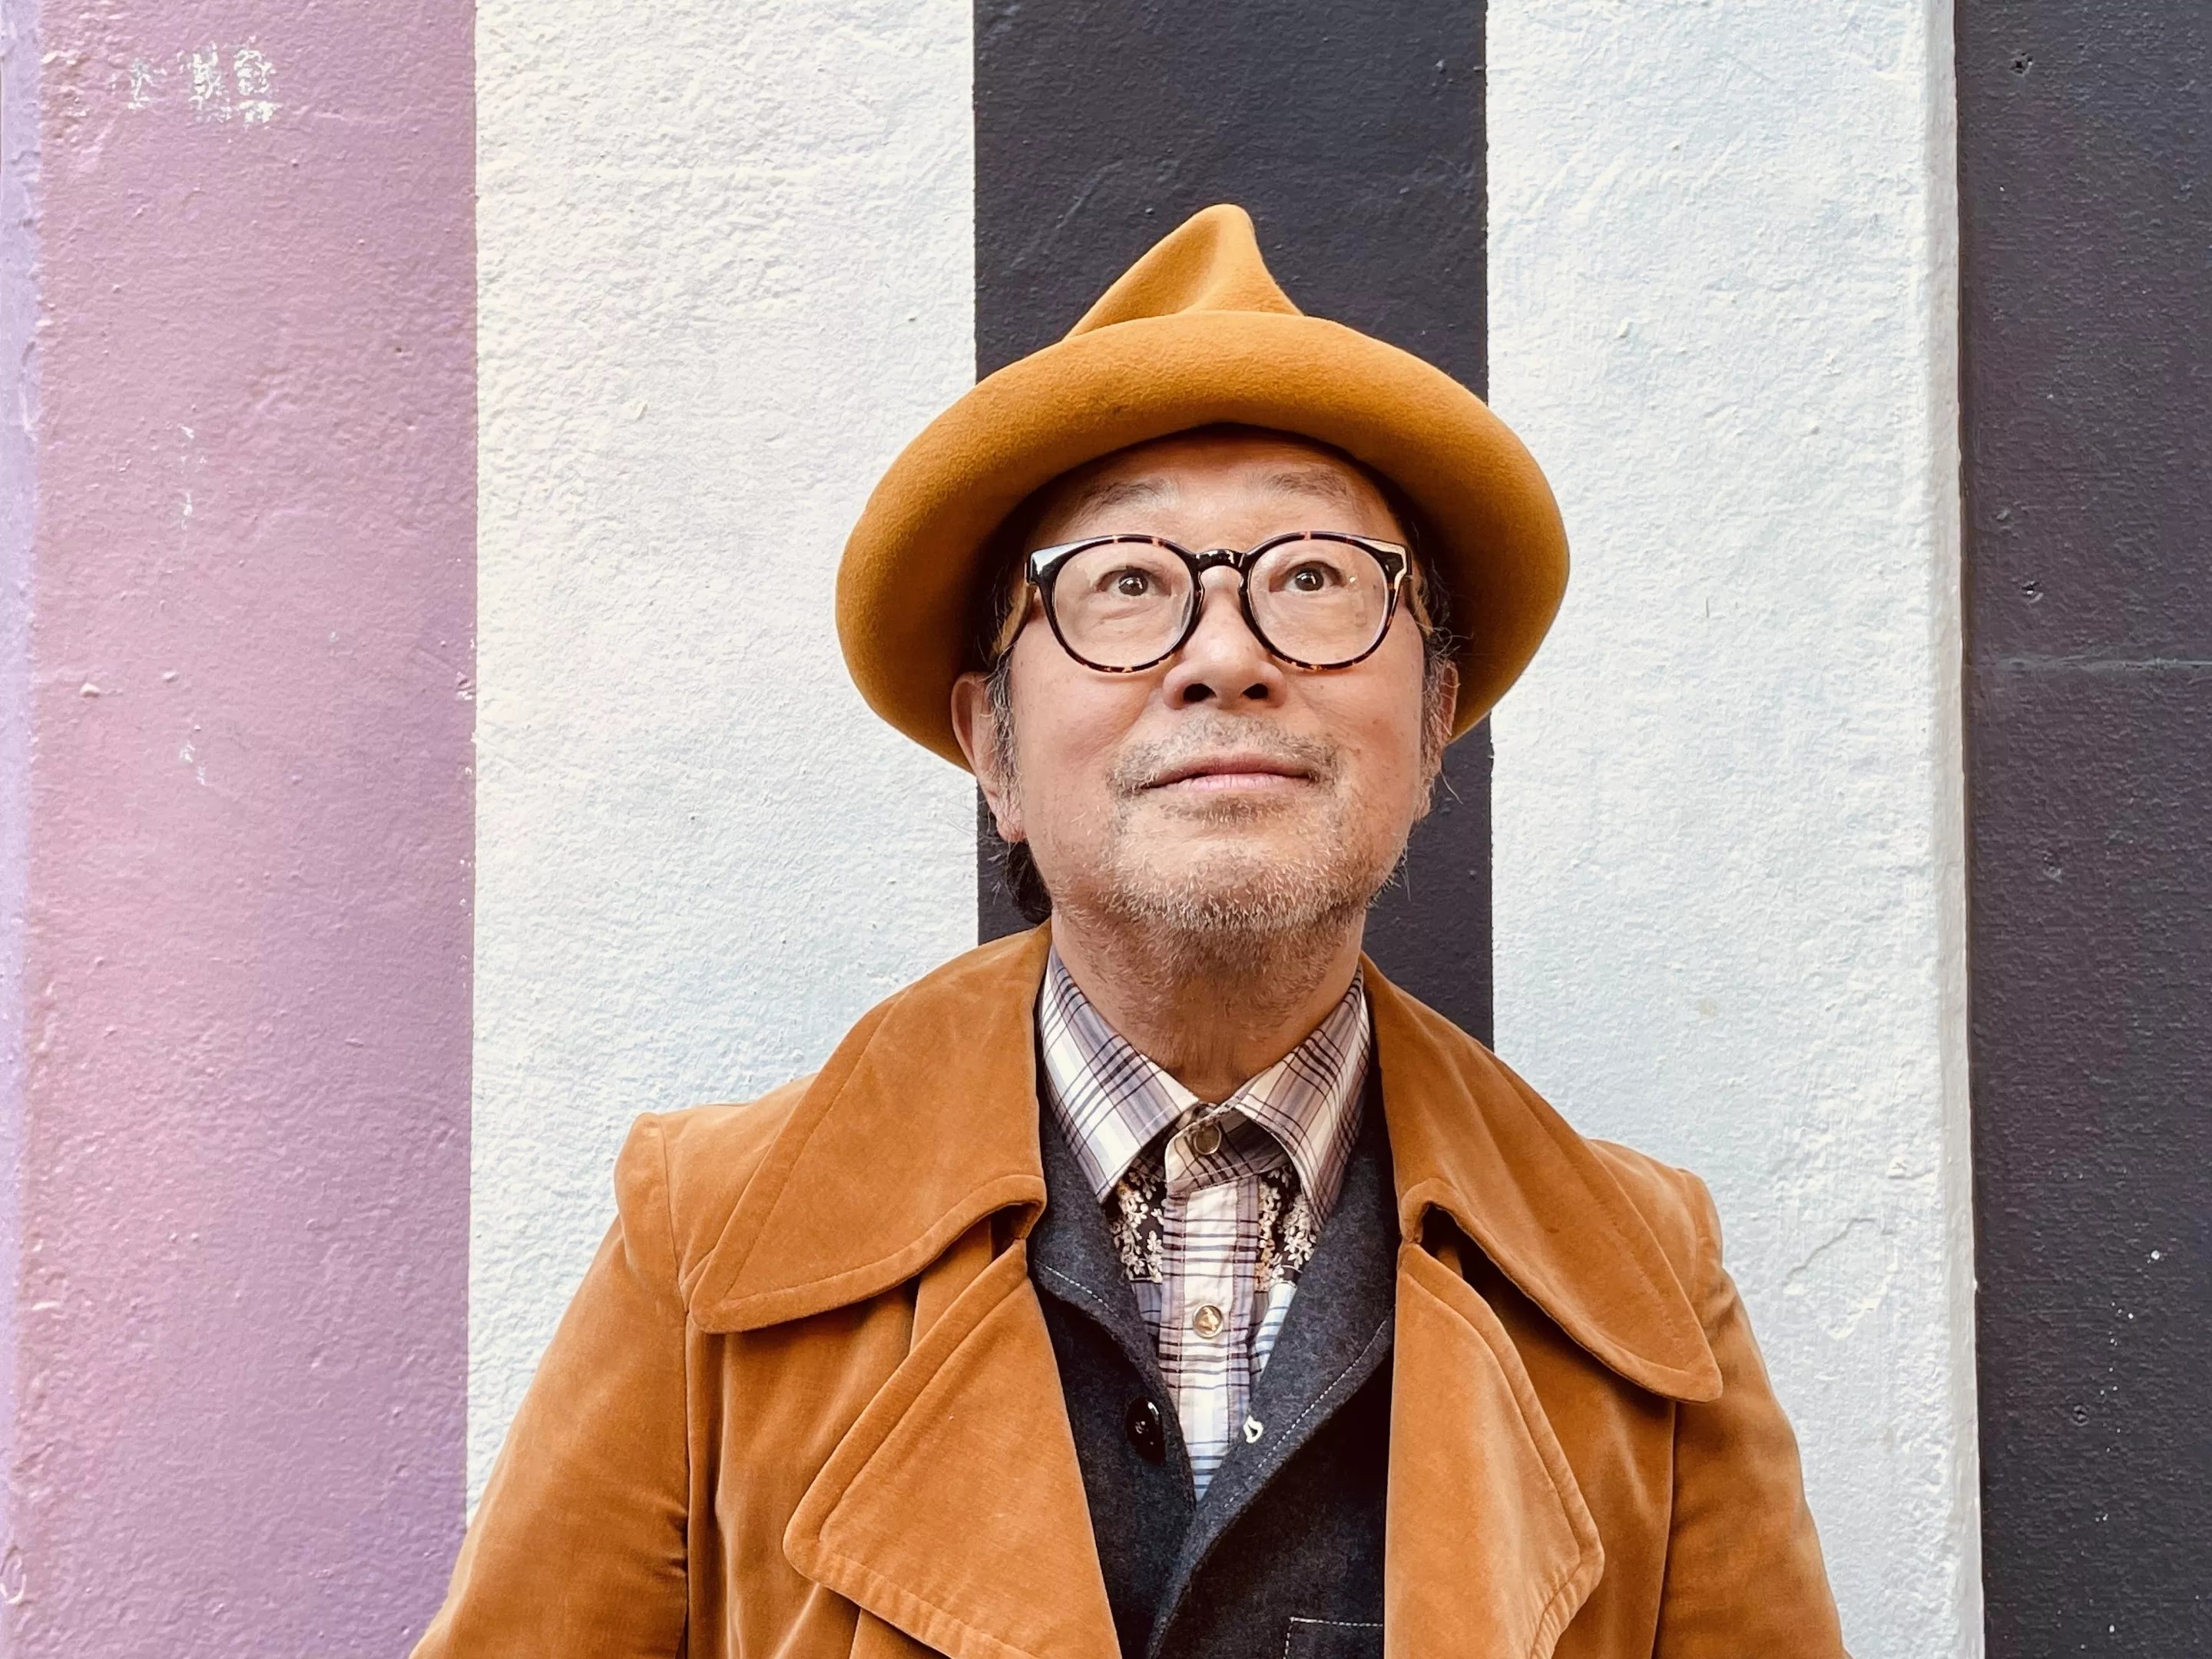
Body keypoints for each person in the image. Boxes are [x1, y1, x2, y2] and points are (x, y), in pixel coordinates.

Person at [414, 205, 1846, 1659]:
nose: (1226, 658)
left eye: (1314, 582)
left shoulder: (1650, 1286)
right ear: (993, 750)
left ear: (1431, 725)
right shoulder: (707, 1247)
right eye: (1125, 588)